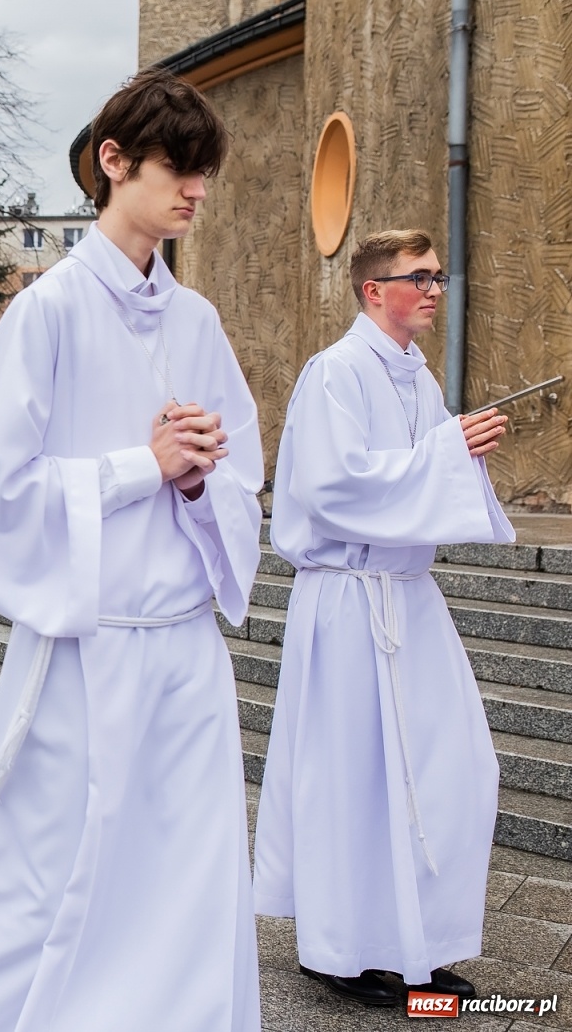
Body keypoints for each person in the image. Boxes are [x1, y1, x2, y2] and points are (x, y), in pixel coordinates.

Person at [0, 69, 263, 1032]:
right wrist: (141, 466)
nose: (197, 190)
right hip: (89, 642)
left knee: (185, 868)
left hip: (184, 648)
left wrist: (201, 479)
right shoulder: (48, 310)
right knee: (45, 862)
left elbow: (243, 473)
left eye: (205, 172)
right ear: (114, 161)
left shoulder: (198, 321)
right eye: (179, 167)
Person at [253, 230, 514, 1007]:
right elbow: (333, 486)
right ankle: (338, 947)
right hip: (348, 600)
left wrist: (458, 449)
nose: (434, 290)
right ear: (374, 290)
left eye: (438, 277)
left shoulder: (417, 378)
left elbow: (418, 480)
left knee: (451, 769)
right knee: (351, 778)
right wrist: (447, 452)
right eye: (418, 278)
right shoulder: (335, 372)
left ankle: (417, 945)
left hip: (407, 597)